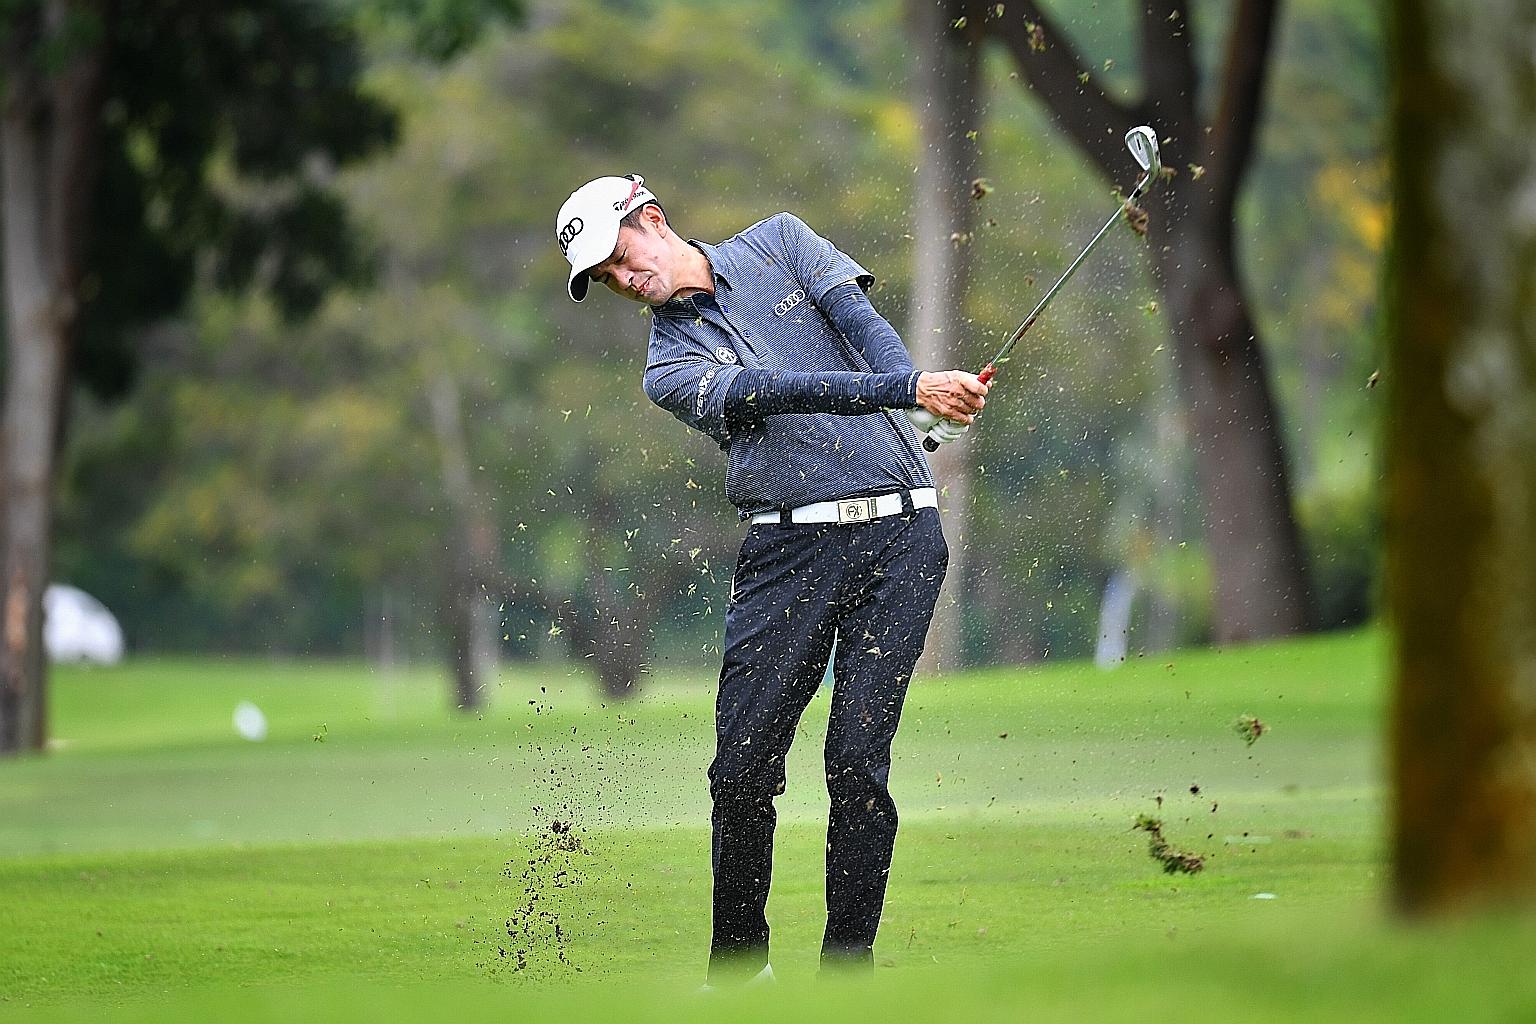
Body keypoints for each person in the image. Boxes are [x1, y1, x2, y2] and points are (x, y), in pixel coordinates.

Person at [555, 174, 988, 984]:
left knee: (859, 763)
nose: (622, 282)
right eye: (606, 280)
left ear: (651, 219)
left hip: (902, 539)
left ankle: (845, 979)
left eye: (617, 260)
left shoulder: (782, 242)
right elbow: (770, 392)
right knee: (742, 769)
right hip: (787, 554)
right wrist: (904, 390)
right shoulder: (668, 365)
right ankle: (738, 971)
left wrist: (922, 400)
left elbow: (866, 328)